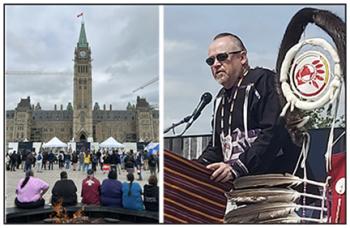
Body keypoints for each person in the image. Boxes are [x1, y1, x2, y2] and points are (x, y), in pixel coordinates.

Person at [198, 33, 302, 183]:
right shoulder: (220, 99)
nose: (215, 64)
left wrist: (238, 167)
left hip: (278, 189)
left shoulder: (264, 81)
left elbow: (273, 133)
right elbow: (217, 149)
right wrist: (191, 168)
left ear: (242, 58)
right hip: (243, 191)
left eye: (222, 57)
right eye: (210, 60)